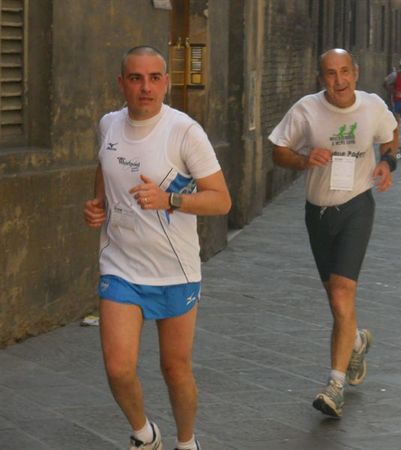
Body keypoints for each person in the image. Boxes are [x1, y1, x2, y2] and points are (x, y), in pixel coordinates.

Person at [83, 45, 231, 450]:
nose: (145, 88)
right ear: (122, 84)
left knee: (175, 368)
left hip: (174, 271)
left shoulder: (184, 131)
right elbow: (104, 165)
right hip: (120, 266)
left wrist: (171, 200)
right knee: (117, 368)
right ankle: (145, 434)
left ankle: (187, 442)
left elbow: (221, 200)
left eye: (153, 78)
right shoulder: (108, 124)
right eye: (135, 78)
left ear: (165, 82)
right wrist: (98, 204)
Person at [269, 48, 398, 418]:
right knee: (335, 300)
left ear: (355, 73)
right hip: (318, 213)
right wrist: (303, 159)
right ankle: (356, 341)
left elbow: (391, 138)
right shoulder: (306, 110)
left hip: (357, 206)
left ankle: (335, 386)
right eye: (330, 74)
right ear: (321, 77)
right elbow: (279, 151)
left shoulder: (372, 107)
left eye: (344, 72)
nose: (339, 80)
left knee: (343, 293)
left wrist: (387, 163)